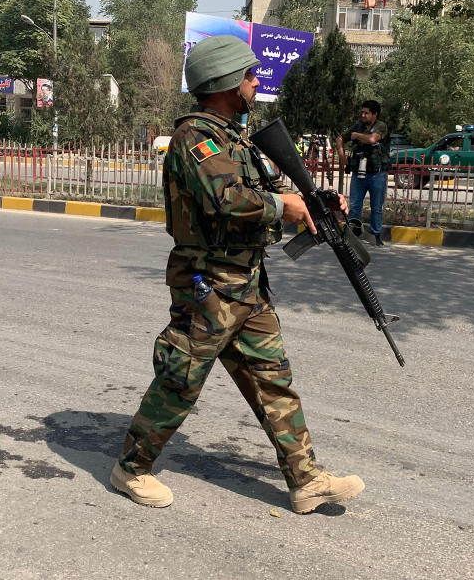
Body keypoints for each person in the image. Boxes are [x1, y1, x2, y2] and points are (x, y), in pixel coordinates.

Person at [111, 35, 364, 515]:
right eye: (249, 76)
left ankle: (305, 479)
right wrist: (280, 206)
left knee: (273, 379)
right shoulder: (195, 139)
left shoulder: (233, 138)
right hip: (206, 285)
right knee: (180, 379)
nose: (255, 83)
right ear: (226, 82)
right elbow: (226, 199)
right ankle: (132, 466)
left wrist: (312, 202)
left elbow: (264, 190)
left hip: (245, 282)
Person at [337, 100, 389, 246]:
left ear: (375, 114)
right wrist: (341, 155)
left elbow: (372, 139)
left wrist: (356, 135)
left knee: (376, 207)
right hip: (358, 173)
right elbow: (340, 138)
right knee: (354, 205)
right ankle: (353, 234)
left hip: (377, 174)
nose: (363, 115)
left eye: (367, 113)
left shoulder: (380, 126)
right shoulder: (358, 126)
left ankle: (376, 235)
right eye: (362, 112)